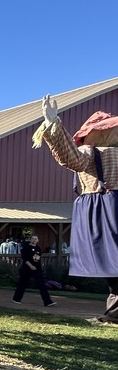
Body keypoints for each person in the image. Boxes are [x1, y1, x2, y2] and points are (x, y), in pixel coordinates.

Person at [35, 95, 118, 322]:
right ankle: (115, 314)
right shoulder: (91, 151)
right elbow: (71, 158)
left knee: (113, 264)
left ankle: (114, 314)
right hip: (104, 207)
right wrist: (53, 124)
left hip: (104, 207)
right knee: (113, 264)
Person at [12, 234, 56, 307]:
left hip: (36, 269)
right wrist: (31, 265)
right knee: (22, 284)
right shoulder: (26, 248)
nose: (34, 240)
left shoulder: (38, 248)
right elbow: (25, 258)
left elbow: (36, 259)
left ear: (37, 240)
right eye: (33, 239)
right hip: (26, 268)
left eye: (35, 239)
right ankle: (16, 298)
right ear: (30, 239)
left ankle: (47, 302)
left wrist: (37, 266)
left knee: (42, 284)